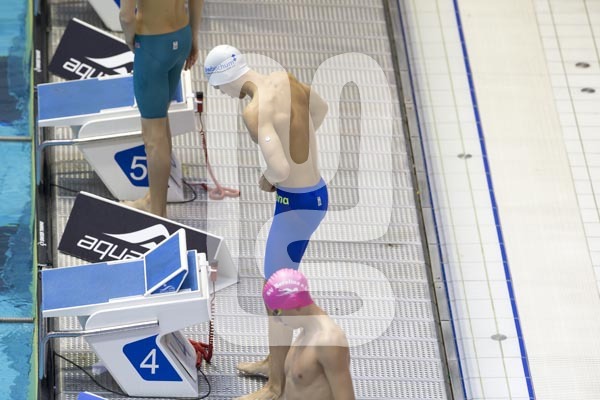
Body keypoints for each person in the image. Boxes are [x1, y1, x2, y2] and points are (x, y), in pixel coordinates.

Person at [204, 45, 330, 399]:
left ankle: (277, 387)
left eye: (218, 87)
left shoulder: (254, 110)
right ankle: (276, 361)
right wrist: (299, 147)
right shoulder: (285, 79)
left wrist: (268, 177)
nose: (221, 94)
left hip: (296, 206)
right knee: (275, 289)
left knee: (276, 292)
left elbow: (280, 168)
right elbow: (320, 109)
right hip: (314, 195)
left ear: (225, 79)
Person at [119, 0, 203, 217]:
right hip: (181, 36)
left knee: (153, 136)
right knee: (160, 119)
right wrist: (193, 36)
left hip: (152, 44)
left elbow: (126, 16)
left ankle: (158, 214)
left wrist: (130, 40)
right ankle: (152, 200)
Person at [262, 268, 355, 400]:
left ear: (296, 304)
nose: (277, 320)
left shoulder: (329, 341)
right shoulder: (306, 333)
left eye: (277, 312)